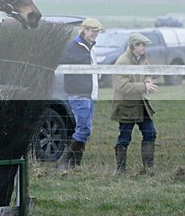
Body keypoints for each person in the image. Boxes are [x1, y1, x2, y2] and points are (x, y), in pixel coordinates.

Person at [57, 17, 104, 170]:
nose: (95, 34)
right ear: (85, 30)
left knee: (84, 128)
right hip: (78, 92)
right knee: (84, 128)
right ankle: (64, 161)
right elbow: (63, 63)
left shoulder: (90, 48)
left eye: (97, 32)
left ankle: (74, 164)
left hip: (89, 92)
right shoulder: (73, 47)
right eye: (92, 31)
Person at [111, 33, 159, 173]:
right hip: (126, 106)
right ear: (134, 46)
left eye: (144, 45)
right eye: (141, 45)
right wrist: (144, 87)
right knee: (125, 138)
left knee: (150, 133)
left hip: (141, 104)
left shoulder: (143, 59)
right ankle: (120, 170)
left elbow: (148, 73)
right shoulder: (122, 62)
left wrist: (149, 81)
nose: (144, 48)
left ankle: (148, 168)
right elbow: (122, 86)